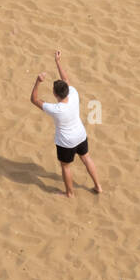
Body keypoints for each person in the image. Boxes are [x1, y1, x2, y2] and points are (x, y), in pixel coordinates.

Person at [30, 50, 102, 198]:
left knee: (66, 166)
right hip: (81, 135)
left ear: (55, 94)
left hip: (66, 142)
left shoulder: (55, 109)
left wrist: (38, 81)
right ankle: (98, 186)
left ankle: (69, 193)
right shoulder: (74, 94)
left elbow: (34, 99)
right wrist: (58, 62)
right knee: (86, 157)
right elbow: (66, 79)